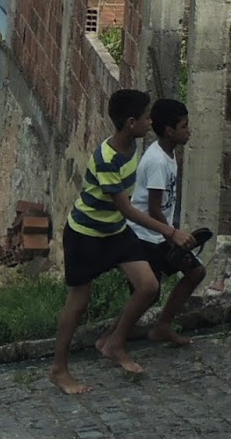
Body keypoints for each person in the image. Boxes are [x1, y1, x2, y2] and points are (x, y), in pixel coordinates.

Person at [49, 88, 194, 395]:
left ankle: (114, 344)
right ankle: (59, 369)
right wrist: (170, 232)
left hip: (115, 233)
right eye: (145, 117)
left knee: (149, 286)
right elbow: (126, 208)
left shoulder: (134, 149)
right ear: (131, 123)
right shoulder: (107, 158)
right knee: (79, 303)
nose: (150, 121)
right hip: (86, 235)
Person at [128, 98, 209, 347]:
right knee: (148, 294)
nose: (189, 131)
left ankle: (162, 326)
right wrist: (173, 236)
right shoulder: (157, 162)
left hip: (161, 235)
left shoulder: (169, 153)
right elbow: (152, 209)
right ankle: (112, 337)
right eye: (184, 126)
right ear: (169, 131)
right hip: (146, 236)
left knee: (196, 272)